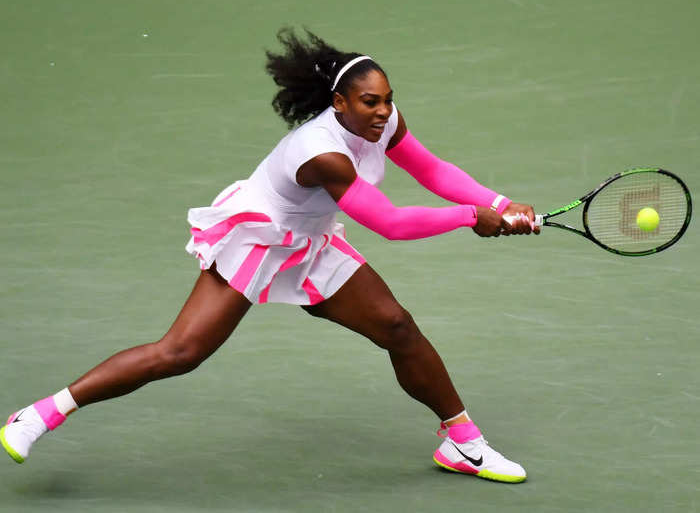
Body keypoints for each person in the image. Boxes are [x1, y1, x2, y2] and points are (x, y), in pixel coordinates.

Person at [1, 29, 538, 483]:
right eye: (370, 102)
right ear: (339, 104)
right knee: (180, 353)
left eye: (388, 99)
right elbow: (390, 224)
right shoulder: (322, 153)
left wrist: (495, 202)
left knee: (397, 326)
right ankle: (42, 413)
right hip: (259, 240)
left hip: (312, 241)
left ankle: (461, 441)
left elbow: (433, 169)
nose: (384, 112)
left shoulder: (384, 123)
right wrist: (472, 218)